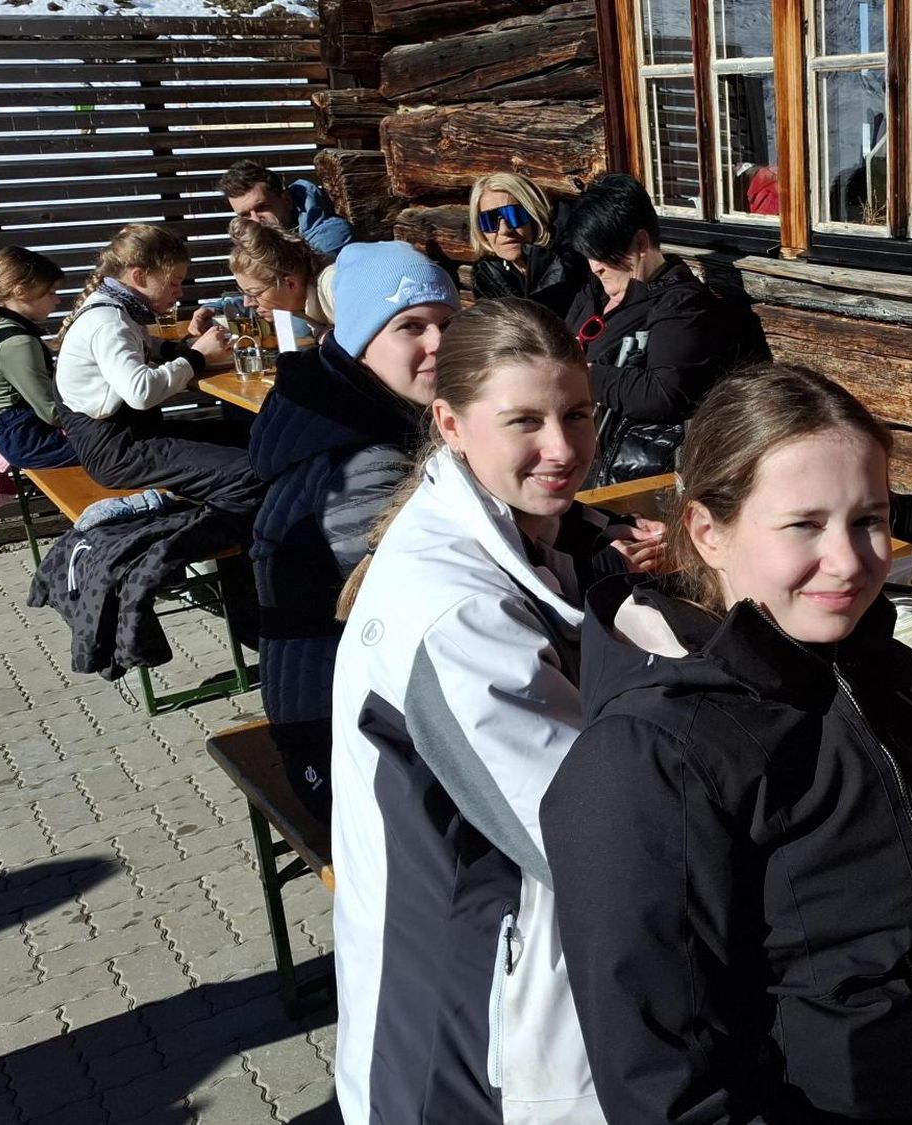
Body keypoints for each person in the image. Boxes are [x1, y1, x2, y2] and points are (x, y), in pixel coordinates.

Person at [549, 365, 912, 1124]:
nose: (850, 561)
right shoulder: (647, 760)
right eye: (803, 524)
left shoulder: (889, 674)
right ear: (709, 531)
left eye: (870, 518)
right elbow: (669, 1092)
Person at [327, 297, 661, 1124]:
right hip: (462, 1038)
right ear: (450, 422)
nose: (563, 447)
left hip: (497, 990)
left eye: (578, 412)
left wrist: (599, 554)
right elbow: (589, 841)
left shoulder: (512, 528)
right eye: (525, 421)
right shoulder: (455, 616)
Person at [248, 242, 457, 821]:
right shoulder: (362, 460)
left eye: (446, 323)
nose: (437, 344)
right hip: (345, 744)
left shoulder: (347, 409)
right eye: (410, 327)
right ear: (363, 345)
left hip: (350, 709)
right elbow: (424, 602)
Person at [53, 224, 262, 516]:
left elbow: (146, 344)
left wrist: (184, 348)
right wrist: (197, 357)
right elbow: (140, 392)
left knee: (251, 437)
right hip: (119, 453)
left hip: (132, 437)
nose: (179, 293)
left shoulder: (117, 309)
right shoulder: (108, 320)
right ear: (139, 276)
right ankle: (206, 540)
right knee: (249, 472)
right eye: (174, 282)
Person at [564, 171, 729, 488]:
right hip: (577, 464)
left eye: (602, 253)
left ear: (640, 243)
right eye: (588, 254)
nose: (594, 265)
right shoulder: (595, 293)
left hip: (622, 477)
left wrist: (578, 375)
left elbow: (663, 392)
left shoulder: (681, 305)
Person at [0, 247, 77, 469]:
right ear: (20, 291)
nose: (57, 300)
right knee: (130, 448)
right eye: (50, 293)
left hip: (12, 443)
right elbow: (53, 413)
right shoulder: (17, 343)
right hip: (38, 446)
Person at [468, 171, 587, 314]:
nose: (504, 230)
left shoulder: (575, 264)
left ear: (534, 215)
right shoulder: (489, 279)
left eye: (513, 215)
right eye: (489, 221)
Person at [218, 217, 333, 339]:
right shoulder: (302, 304)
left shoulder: (332, 287)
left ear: (291, 284)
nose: (247, 303)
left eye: (255, 293)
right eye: (244, 293)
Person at [217, 159, 353, 256]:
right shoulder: (257, 241)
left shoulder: (328, 236)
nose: (255, 220)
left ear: (286, 200)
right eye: (245, 215)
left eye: (261, 207)